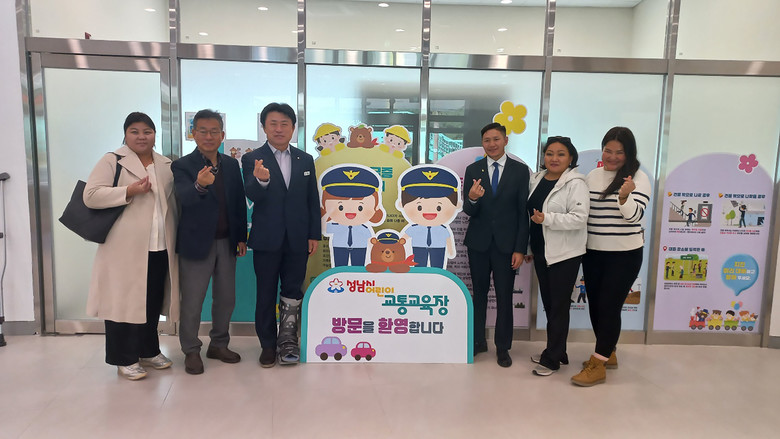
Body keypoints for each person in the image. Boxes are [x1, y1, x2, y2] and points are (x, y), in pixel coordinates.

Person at [83, 112, 179, 380]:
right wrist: (129, 191)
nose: (141, 137)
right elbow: (91, 195)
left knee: (151, 301)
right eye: (134, 131)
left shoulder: (165, 164)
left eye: (147, 131)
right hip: (123, 248)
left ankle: (148, 350)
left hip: (159, 245)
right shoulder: (112, 160)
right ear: (125, 134)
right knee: (122, 303)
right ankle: (123, 358)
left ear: (155, 135)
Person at [242, 103, 321, 367]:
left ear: (293, 128)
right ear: (264, 128)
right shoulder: (253, 159)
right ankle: (267, 345)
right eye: (273, 124)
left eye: (284, 124)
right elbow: (252, 194)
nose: (279, 129)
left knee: (292, 291)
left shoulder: (305, 159)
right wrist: (261, 180)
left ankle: (288, 341)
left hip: (298, 238)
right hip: (267, 239)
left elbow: (311, 199)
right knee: (265, 293)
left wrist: (313, 234)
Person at [572, 126, 651, 387]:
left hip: (624, 255)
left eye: (619, 152)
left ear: (629, 154)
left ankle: (598, 364)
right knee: (596, 305)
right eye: (608, 150)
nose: (612, 157)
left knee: (609, 306)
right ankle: (608, 352)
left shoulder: (638, 178)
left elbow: (635, 217)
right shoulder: (593, 176)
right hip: (593, 252)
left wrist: (625, 196)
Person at [172, 109, 247, 375]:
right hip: (196, 243)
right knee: (193, 301)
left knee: (226, 298)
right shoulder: (182, 165)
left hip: (227, 241)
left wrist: (241, 237)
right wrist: (200, 185)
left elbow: (238, 203)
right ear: (193, 134)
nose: (208, 136)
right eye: (202, 131)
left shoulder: (231, 165)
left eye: (214, 131)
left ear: (222, 135)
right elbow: (184, 198)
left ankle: (219, 344)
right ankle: (191, 350)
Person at [463, 122, 529, 368]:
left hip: (506, 246)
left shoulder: (520, 171)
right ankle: (478, 341)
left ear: (505, 140)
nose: (491, 144)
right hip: (478, 244)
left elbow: (522, 213)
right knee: (478, 294)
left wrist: (520, 248)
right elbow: (469, 210)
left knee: (504, 296)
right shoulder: (473, 169)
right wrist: (472, 198)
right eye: (487, 140)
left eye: (496, 139)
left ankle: (503, 347)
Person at [526, 136, 589, 376]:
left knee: (559, 306)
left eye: (561, 154)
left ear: (570, 157)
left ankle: (551, 359)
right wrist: (530, 248)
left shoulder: (576, 183)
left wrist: (548, 219)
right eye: (549, 153)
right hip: (542, 251)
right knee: (551, 304)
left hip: (565, 253)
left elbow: (579, 218)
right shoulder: (537, 179)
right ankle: (558, 351)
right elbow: (530, 217)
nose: (554, 158)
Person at [320, 164, 385, 267]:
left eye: (360, 207)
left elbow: (370, 239)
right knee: (339, 267)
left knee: (358, 267)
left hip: (360, 246)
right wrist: (326, 213)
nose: (350, 211)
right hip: (339, 246)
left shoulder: (364, 228)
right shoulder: (334, 226)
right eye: (341, 207)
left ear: (375, 207)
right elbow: (324, 227)